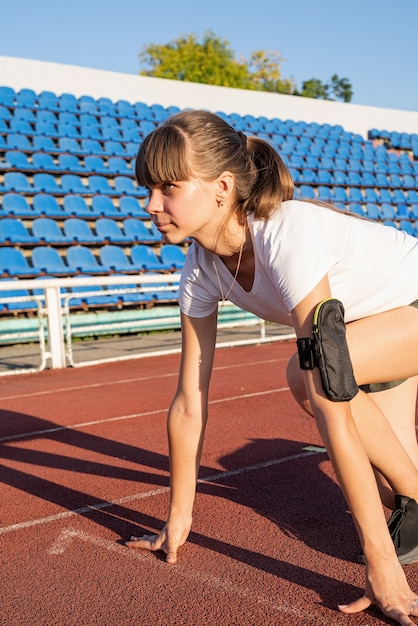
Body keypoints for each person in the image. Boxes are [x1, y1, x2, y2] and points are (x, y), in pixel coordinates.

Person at [126, 109, 418, 624]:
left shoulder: (287, 236)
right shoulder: (201, 268)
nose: (152, 205)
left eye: (168, 188)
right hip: (370, 330)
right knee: (399, 493)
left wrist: (380, 563)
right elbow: (189, 401)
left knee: (306, 380)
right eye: (147, 189)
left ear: (221, 187)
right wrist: (178, 517)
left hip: (406, 311)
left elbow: (330, 398)